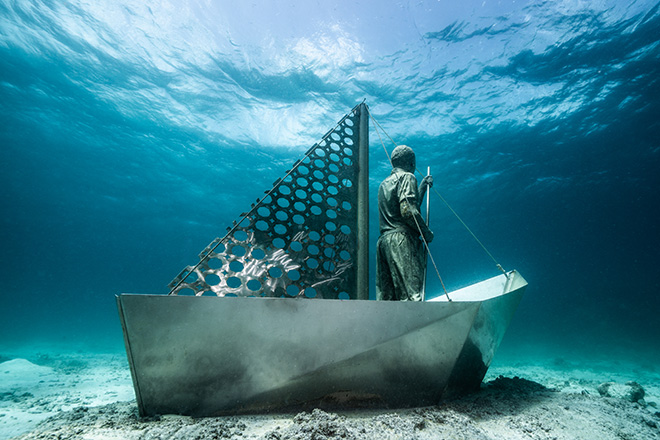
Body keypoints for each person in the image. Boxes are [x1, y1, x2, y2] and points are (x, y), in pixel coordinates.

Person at [376, 145, 434, 301]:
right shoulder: (408, 177)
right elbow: (409, 212)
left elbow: (405, 208)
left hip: (384, 243)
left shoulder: (383, 184)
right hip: (402, 241)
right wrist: (425, 232)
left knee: (388, 299)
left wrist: (422, 188)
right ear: (411, 162)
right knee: (412, 295)